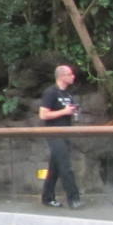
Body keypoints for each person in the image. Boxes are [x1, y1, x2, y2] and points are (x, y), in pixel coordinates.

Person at [38, 64, 83, 209]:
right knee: (65, 166)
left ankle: (47, 198)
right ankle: (74, 199)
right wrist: (64, 112)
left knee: (55, 167)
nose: (73, 76)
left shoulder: (68, 95)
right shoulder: (50, 92)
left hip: (65, 133)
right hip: (54, 134)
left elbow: (69, 111)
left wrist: (73, 111)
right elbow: (43, 114)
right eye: (70, 74)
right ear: (62, 76)